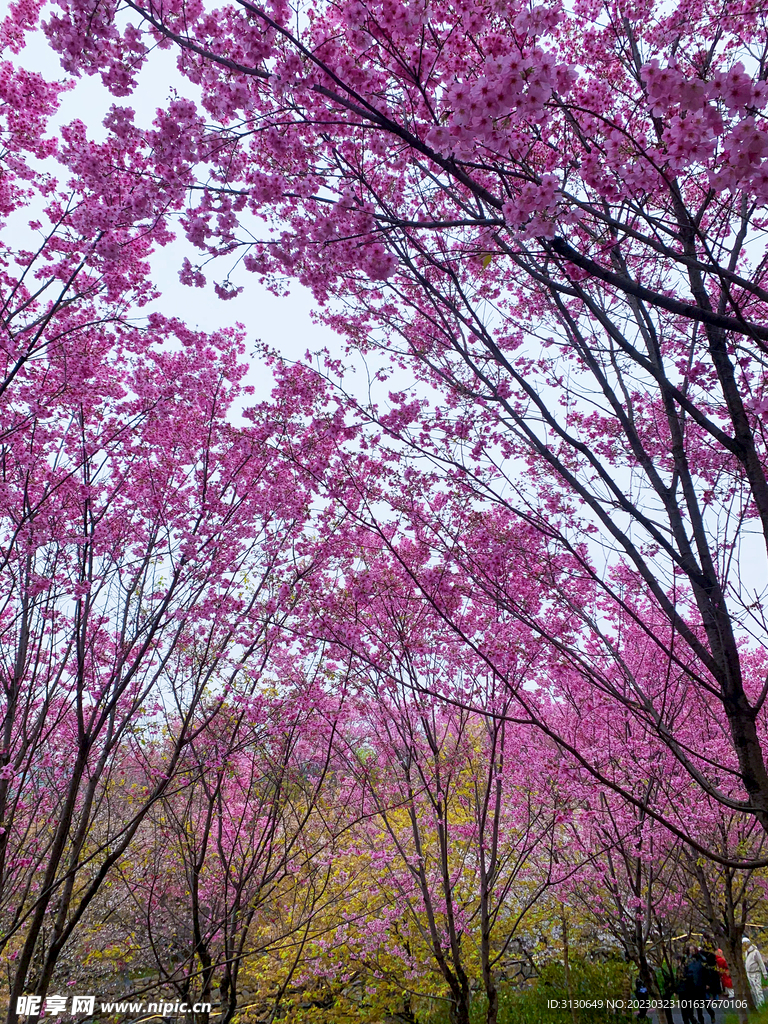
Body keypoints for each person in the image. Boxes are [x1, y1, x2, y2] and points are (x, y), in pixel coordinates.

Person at [743, 935, 768, 1008]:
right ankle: (758, 1004)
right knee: (754, 990)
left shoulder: (755, 952)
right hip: (749, 973)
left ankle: (762, 1005)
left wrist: (764, 974)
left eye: (745, 943)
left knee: (758, 990)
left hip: (756, 973)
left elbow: (761, 963)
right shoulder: (746, 953)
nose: (744, 945)